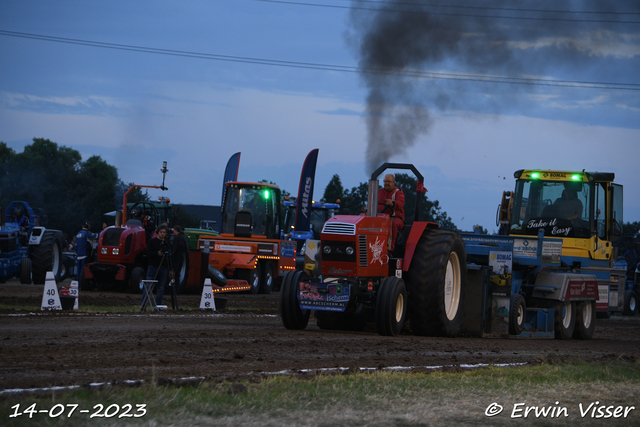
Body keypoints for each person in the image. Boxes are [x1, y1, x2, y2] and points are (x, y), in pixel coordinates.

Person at [142, 225, 172, 309]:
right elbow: (148, 253)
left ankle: (158, 306)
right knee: (148, 287)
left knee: (161, 288)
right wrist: (157, 253)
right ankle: (143, 305)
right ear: (157, 232)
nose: (162, 234)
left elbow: (169, 255)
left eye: (164, 232)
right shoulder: (152, 242)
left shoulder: (167, 243)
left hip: (163, 268)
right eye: (161, 232)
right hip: (153, 267)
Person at [378, 174, 405, 251]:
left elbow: (401, 203)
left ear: (393, 183)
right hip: (381, 216)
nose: (387, 183)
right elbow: (373, 203)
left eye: (389, 182)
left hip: (395, 217)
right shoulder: (379, 192)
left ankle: (389, 248)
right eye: (385, 181)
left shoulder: (398, 192)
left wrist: (392, 203)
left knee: (392, 223)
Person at [171, 225, 190, 293]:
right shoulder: (183, 238)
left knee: (174, 273)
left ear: (175, 230)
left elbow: (174, 248)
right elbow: (186, 250)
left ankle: (173, 289)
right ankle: (177, 289)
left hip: (176, 258)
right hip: (181, 258)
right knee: (178, 273)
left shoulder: (176, 238)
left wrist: (172, 255)